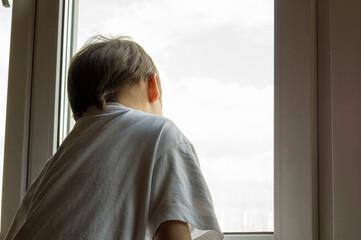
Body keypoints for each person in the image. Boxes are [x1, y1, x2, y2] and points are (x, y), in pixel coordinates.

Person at [4, 36, 224, 240]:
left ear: (76, 116)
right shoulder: (159, 132)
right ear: (152, 87)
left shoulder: (54, 167)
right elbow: (174, 236)